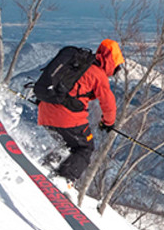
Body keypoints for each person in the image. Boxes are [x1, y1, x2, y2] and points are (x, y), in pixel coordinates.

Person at [38, 39, 124, 189]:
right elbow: (109, 105)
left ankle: (46, 166)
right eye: (117, 67)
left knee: (69, 145)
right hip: (67, 118)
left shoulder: (76, 65)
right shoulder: (98, 75)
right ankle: (64, 179)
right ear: (112, 62)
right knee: (85, 148)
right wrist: (108, 123)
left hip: (44, 112)